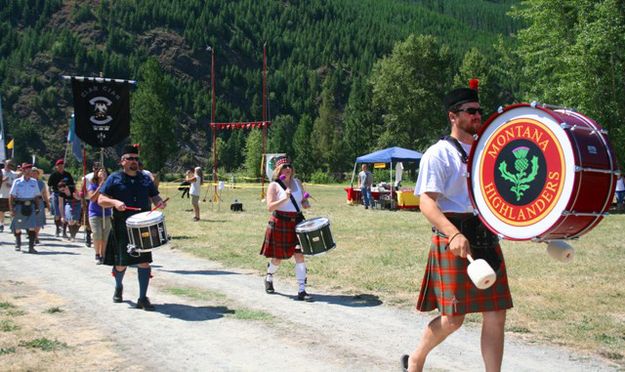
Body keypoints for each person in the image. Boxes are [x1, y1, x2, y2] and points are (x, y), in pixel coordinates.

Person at [401, 88, 513, 372]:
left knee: (496, 313)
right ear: (453, 116)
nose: (478, 116)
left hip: (484, 233)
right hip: (453, 232)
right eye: (471, 111)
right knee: (453, 318)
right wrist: (452, 233)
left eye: (479, 111)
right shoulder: (437, 154)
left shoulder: (487, 152)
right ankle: (416, 359)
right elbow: (426, 201)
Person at [98, 145, 166, 311]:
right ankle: (118, 286)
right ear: (122, 161)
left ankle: (142, 298)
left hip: (142, 228)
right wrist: (115, 202)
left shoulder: (144, 179)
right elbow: (100, 199)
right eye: (130, 159)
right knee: (121, 264)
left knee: (144, 262)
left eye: (136, 159)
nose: (134, 162)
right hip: (122, 225)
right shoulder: (114, 178)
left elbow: (154, 195)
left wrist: (159, 202)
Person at [260, 156, 312, 301]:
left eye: (289, 166)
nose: (288, 169)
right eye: (284, 167)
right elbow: (270, 207)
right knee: (277, 258)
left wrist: (306, 201)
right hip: (280, 222)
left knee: (299, 255)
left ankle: (302, 290)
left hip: (297, 223)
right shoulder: (274, 185)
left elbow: (302, 200)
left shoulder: (297, 182)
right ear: (278, 170)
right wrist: (284, 198)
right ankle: (269, 276)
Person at [9, 163, 42, 253]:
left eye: (30, 171)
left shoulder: (34, 182)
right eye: (27, 171)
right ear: (23, 171)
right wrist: (11, 209)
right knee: (18, 226)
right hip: (20, 205)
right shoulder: (17, 182)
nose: (28, 172)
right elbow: (11, 196)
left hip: (30, 205)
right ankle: (18, 243)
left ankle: (31, 247)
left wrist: (37, 207)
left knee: (32, 226)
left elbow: (36, 196)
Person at [87, 166, 112, 264]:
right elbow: (92, 198)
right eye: (101, 171)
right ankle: (97, 254)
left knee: (105, 236)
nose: (103, 173)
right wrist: (99, 188)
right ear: (97, 174)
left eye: (105, 171)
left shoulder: (110, 185)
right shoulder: (92, 185)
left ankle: (103, 255)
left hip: (106, 213)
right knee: (97, 234)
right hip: (94, 213)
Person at [48, 159, 75, 238]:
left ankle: (64, 231)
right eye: (59, 166)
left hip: (65, 195)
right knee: (57, 213)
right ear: (56, 167)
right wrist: (50, 195)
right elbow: (49, 186)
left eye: (62, 166)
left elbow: (72, 185)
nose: (61, 168)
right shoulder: (53, 175)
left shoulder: (67, 174)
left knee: (65, 213)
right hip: (56, 194)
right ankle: (57, 229)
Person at [31, 167, 50, 244]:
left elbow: (45, 195)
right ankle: (32, 235)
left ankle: (36, 236)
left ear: (38, 174)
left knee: (39, 220)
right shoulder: (29, 182)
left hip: (39, 202)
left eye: (35, 173)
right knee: (31, 219)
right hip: (30, 201)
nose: (34, 174)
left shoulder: (41, 183)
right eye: (32, 173)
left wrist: (48, 205)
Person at [0, 160, 19, 232]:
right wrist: (2, 180)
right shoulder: (1, 172)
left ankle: (12, 224)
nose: (8, 166)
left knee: (12, 210)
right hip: (2, 194)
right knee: (1, 211)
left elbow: (17, 185)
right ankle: (1, 224)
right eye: (7, 164)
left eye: (10, 165)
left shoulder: (14, 174)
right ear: (4, 164)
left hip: (11, 195)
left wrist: (11, 185)